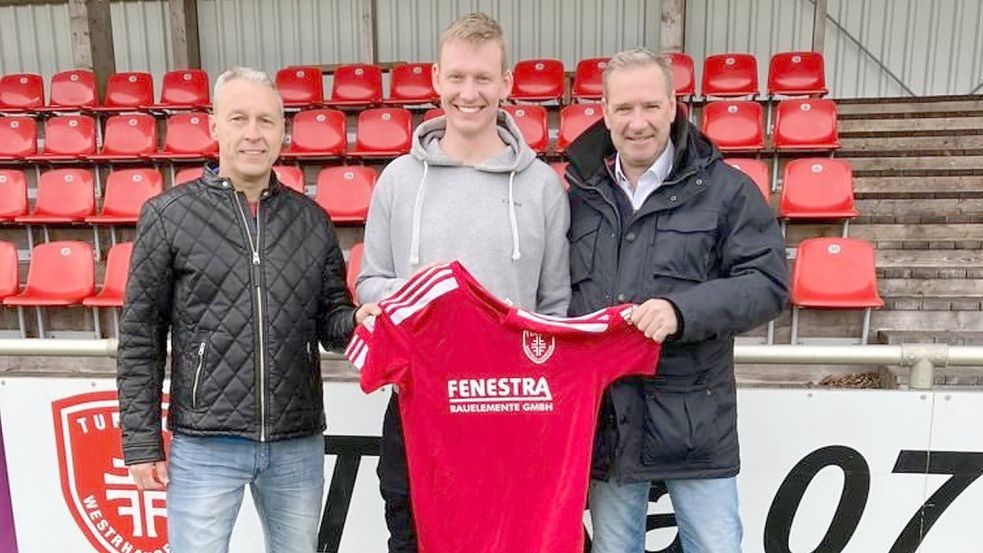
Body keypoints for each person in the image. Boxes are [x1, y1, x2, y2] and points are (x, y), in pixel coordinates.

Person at [116, 67, 378, 553]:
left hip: (296, 443)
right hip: (204, 443)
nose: (254, 133)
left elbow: (331, 320)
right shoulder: (168, 216)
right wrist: (141, 442)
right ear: (215, 126)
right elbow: (140, 339)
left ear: (283, 130)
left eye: (266, 120)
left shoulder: (311, 221)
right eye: (239, 118)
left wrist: (358, 322)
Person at [356, 12, 571, 552]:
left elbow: (554, 306)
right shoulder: (399, 181)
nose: (468, 93)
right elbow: (371, 282)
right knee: (412, 540)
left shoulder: (543, 187)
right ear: (435, 79)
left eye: (482, 78)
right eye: (456, 77)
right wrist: (436, 303)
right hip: (419, 409)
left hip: (513, 411)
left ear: (506, 83)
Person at [564, 48, 788, 553]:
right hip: (611, 425)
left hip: (696, 426)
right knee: (614, 548)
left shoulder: (727, 190)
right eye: (623, 109)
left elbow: (768, 283)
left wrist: (682, 311)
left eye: (649, 106)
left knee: (714, 546)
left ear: (673, 106)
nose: (637, 122)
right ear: (604, 111)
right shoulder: (578, 196)